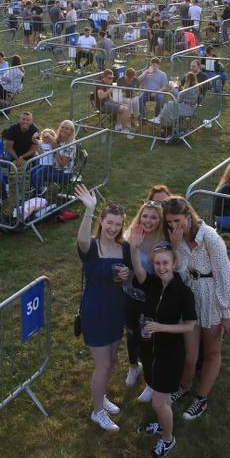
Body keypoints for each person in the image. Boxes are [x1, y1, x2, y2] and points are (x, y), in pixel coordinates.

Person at [162, 196, 230, 421]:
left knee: (211, 352)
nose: (174, 226)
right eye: (169, 222)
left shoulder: (210, 237)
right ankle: (184, 385)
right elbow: (178, 272)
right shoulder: (177, 239)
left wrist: (226, 311)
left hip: (213, 297)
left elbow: (225, 274)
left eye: (177, 220)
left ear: (188, 215)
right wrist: (175, 246)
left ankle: (201, 397)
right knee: (190, 354)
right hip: (191, 298)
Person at [75, 183, 140, 432]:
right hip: (95, 312)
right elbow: (81, 240)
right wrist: (88, 210)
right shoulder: (91, 247)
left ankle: (100, 396)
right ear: (102, 222)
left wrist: (128, 272)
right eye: (109, 222)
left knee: (112, 361)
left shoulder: (122, 248)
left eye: (117, 223)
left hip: (116, 311)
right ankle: (97, 412)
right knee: (102, 365)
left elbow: (132, 273)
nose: (113, 228)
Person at [134, 243, 197, 458]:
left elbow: (189, 325)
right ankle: (162, 425)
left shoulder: (183, 292)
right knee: (164, 399)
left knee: (158, 401)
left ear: (174, 263)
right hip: (152, 349)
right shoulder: (153, 284)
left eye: (165, 263)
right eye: (158, 263)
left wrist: (161, 327)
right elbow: (139, 271)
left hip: (170, 352)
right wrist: (133, 248)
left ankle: (168, 439)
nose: (161, 267)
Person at [122, 200, 166, 396]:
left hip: (149, 299)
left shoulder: (162, 243)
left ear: (160, 220)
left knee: (147, 340)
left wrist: (134, 250)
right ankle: (133, 367)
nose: (148, 221)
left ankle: (151, 381)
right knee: (131, 336)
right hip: (128, 295)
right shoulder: (129, 235)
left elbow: (143, 277)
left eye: (154, 217)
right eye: (145, 216)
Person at [29, 119, 77, 196]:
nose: (64, 130)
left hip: (64, 172)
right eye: (62, 127)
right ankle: (35, 189)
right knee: (32, 171)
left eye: (67, 129)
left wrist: (55, 149)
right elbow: (42, 144)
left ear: (71, 132)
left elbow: (62, 164)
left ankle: (41, 194)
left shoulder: (71, 145)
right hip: (52, 166)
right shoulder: (57, 140)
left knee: (38, 174)